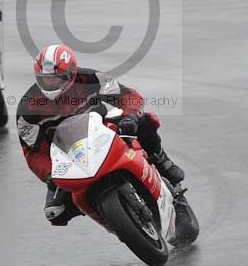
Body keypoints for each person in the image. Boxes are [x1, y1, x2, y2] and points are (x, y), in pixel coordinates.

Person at [16, 43, 186, 225]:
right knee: (55, 213)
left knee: (144, 121)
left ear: (72, 74)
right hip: (68, 157)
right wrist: (49, 174)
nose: (50, 84)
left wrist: (130, 116)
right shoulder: (27, 109)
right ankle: (111, 217)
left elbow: (129, 96)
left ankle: (160, 159)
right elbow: (32, 153)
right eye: (45, 79)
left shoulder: (90, 78)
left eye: (57, 79)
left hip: (103, 133)